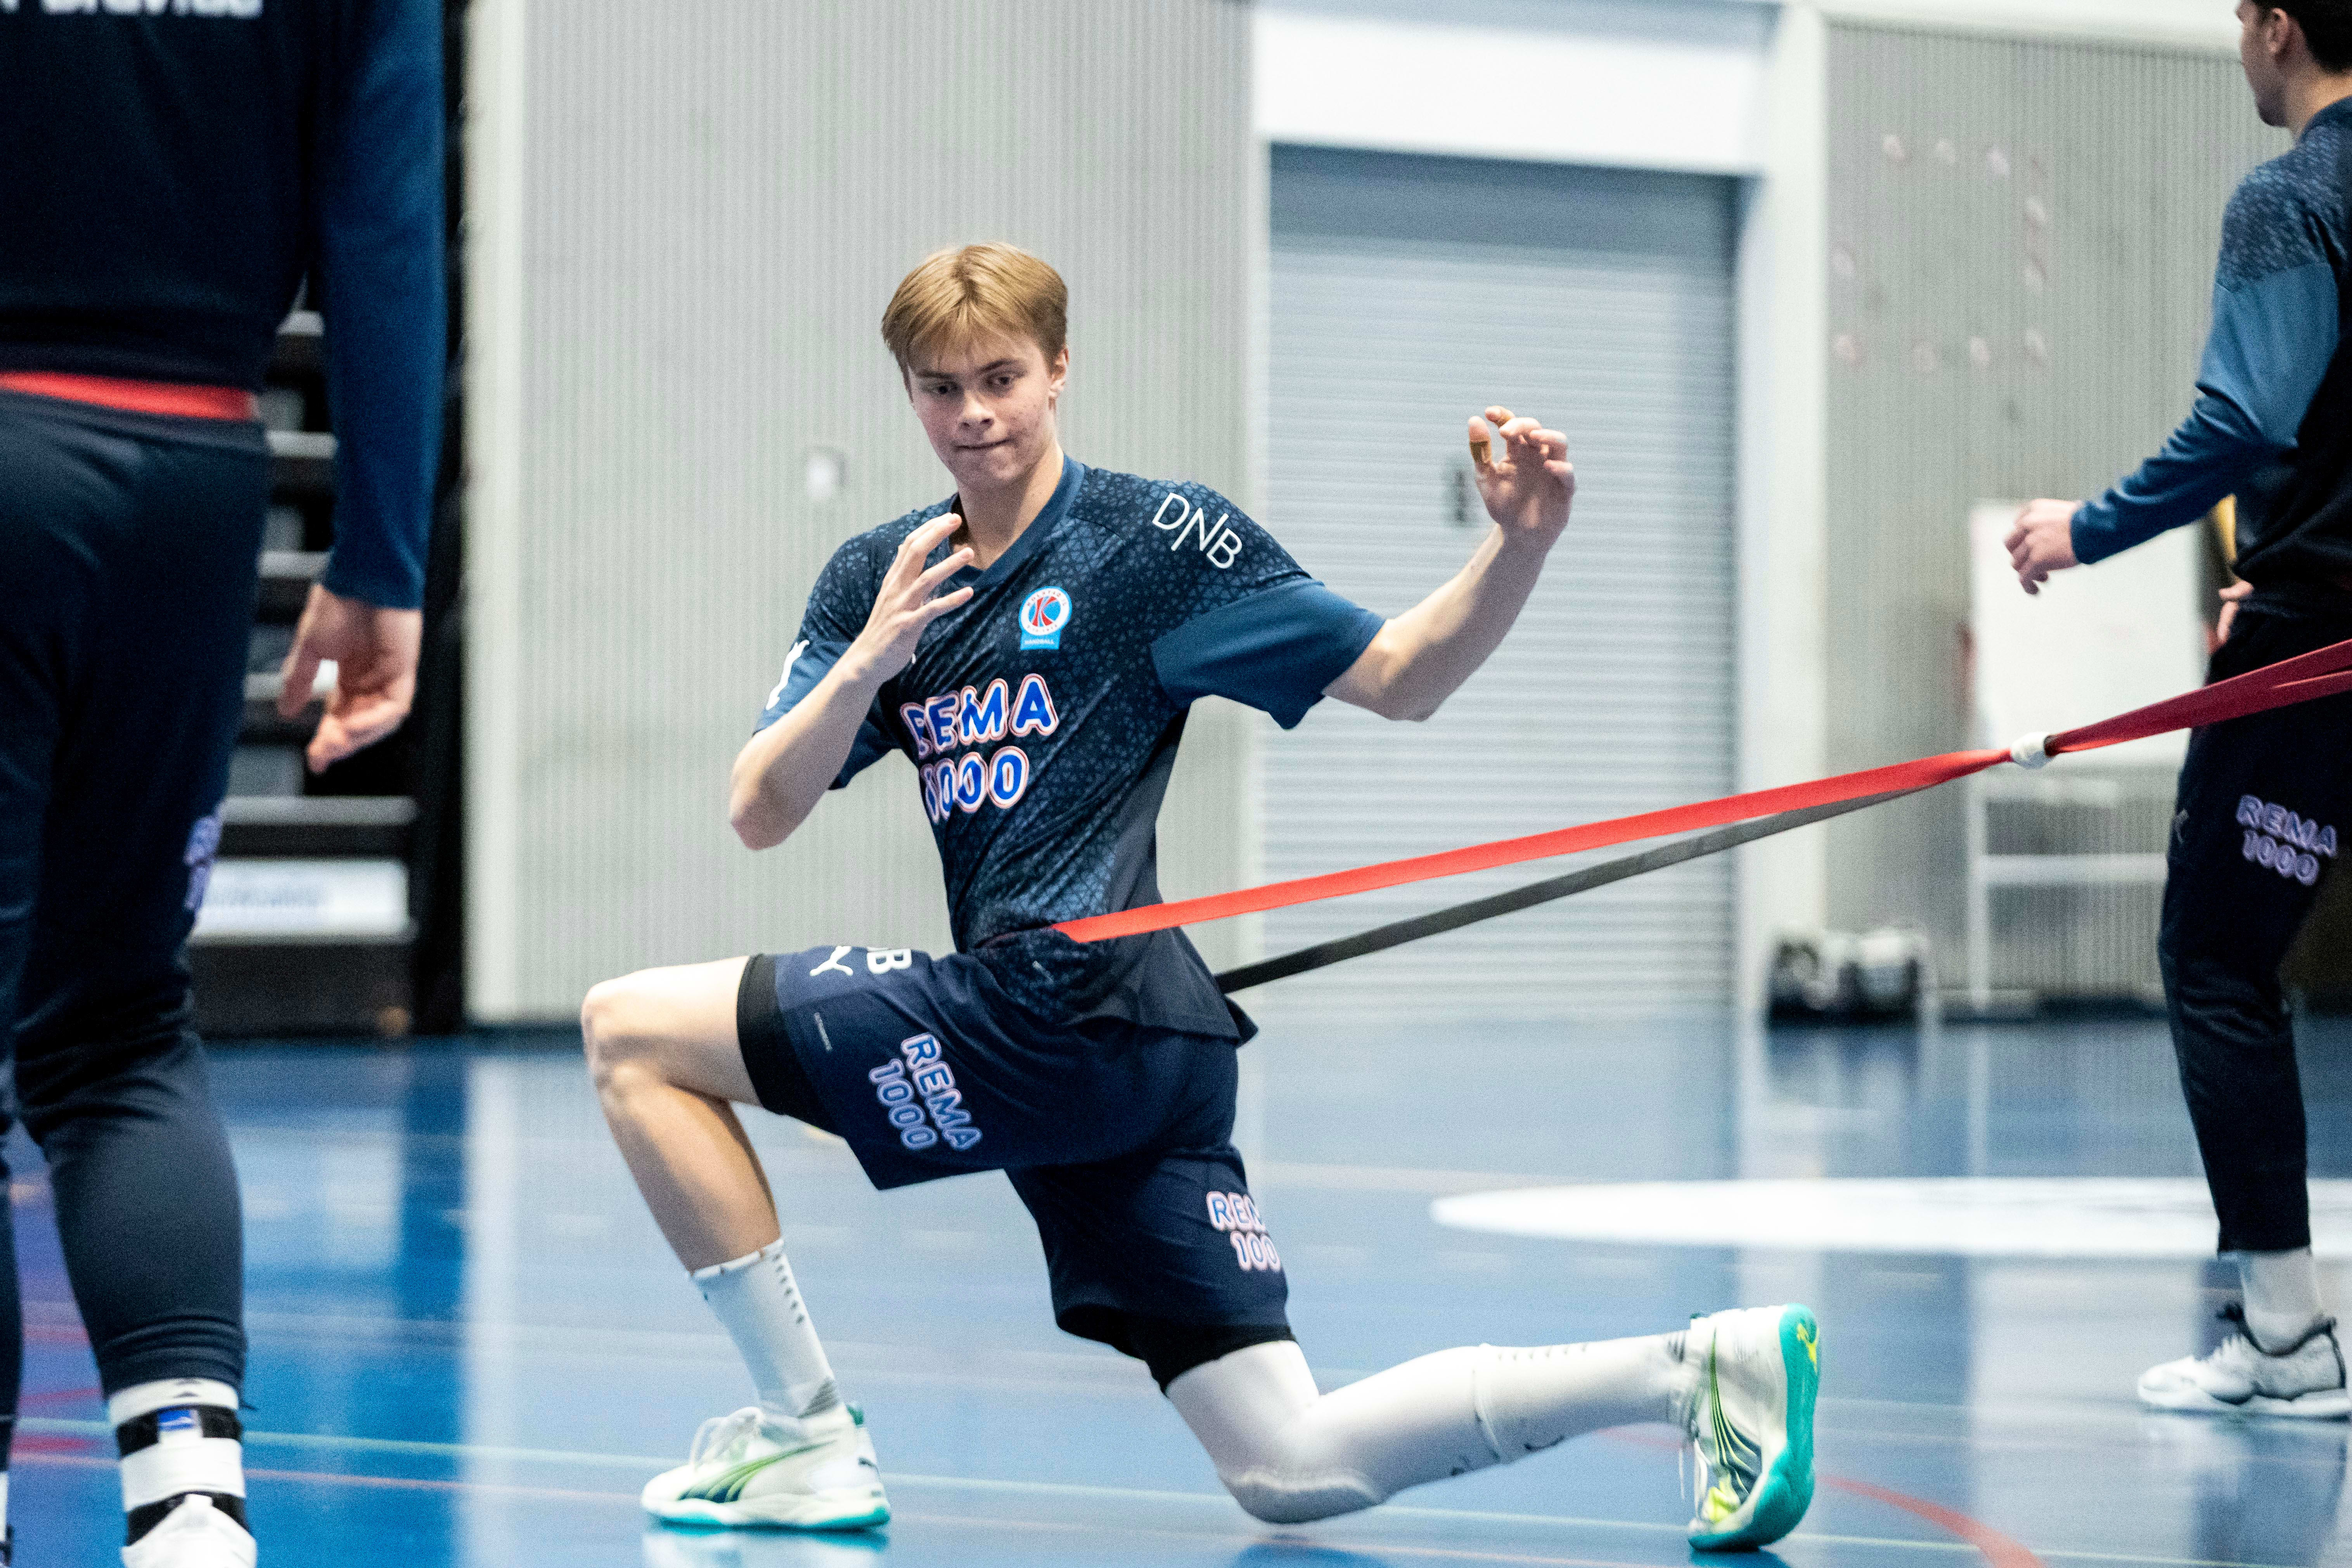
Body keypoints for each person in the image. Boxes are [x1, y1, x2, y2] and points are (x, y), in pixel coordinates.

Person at [581, 242, 1819, 1548]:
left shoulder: (1155, 544)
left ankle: (804, 1435)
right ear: (909, 395)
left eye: (1002, 378)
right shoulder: (884, 577)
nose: (975, 414)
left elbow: (1402, 675)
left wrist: (1520, 547)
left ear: (1060, 369)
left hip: (1062, 1008)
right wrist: (868, 665)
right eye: (941, 389)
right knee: (1289, 1463)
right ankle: (1693, 1370)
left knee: (627, 1031)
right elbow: (761, 808)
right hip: (1134, 1056)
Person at [0, 2, 447, 1563]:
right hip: (190, 477)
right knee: (120, 1027)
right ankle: (191, 1503)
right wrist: (383, 557)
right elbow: (387, 220)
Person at [2006, 0, 2352, 1416]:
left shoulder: (2291, 197)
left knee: (2217, 957)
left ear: (2277, 28)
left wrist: (2085, 529)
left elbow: (2250, 417)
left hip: (2316, 657)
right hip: (2310, 613)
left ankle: (2286, 1338)